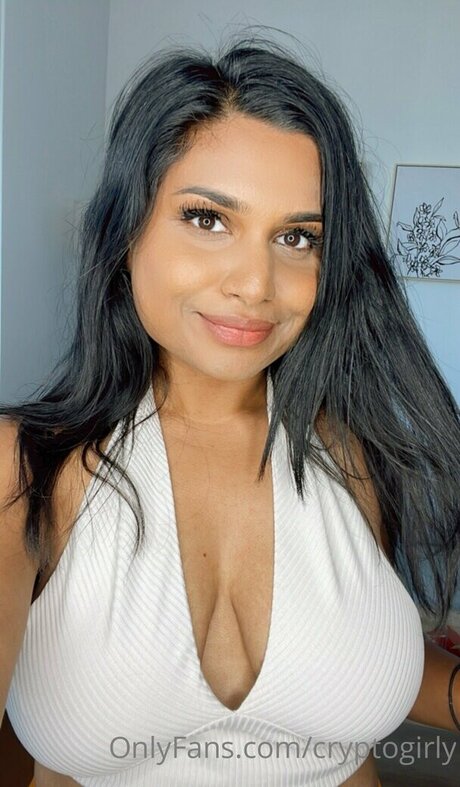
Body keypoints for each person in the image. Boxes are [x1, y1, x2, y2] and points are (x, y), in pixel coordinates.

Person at [0, 32, 459, 787]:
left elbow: (352, 666)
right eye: (208, 219)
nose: (256, 283)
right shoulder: (26, 471)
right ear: (125, 228)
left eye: (297, 236)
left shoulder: (353, 453)